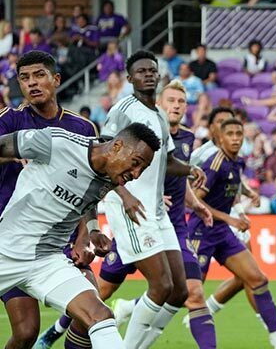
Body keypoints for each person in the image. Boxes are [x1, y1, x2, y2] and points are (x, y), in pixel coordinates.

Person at [0, 122, 161, 348]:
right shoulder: (57, 143)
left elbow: (87, 196)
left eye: (142, 170)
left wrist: (93, 229)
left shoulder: (109, 178)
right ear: (117, 146)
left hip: (47, 262)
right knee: (25, 332)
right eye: (136, 163)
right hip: (6, 250)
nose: (136, 174)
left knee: (100, 315)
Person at [91, 81, 217, 349]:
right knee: (105, 290)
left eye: (181, 101)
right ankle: (61, 331)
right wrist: (126, 194)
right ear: (160, 102)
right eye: (171, 100)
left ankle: (132, 339)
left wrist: (193, 198)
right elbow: (106, 158)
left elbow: (169, 170)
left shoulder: (183, 137)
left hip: (166, 221)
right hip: (134, 214)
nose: (176, 105)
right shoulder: (131, 118)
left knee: (183, 290)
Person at [0, 51, 101, 349]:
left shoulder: (83, 129)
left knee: (92, 312)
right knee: (27, 331)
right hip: (14, 241)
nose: (32, 83)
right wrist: (12, 154)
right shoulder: (8, 122)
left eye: (39, 75)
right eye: (24, 77)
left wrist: (86, 234)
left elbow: (89, 188)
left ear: (56, 79)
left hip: (61, 240)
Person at [190, 117, 276, 348]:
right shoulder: (214, 164)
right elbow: (195, 200)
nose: (236, 138)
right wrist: (230, 219)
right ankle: (135, 309)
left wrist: (247, 193)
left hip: (222, 232)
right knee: (183, 293)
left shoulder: (237, 162)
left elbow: (232, 185)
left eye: (239, 134)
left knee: (257, 278)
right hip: (200, 232)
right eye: (231, 134)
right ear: (220, 138)